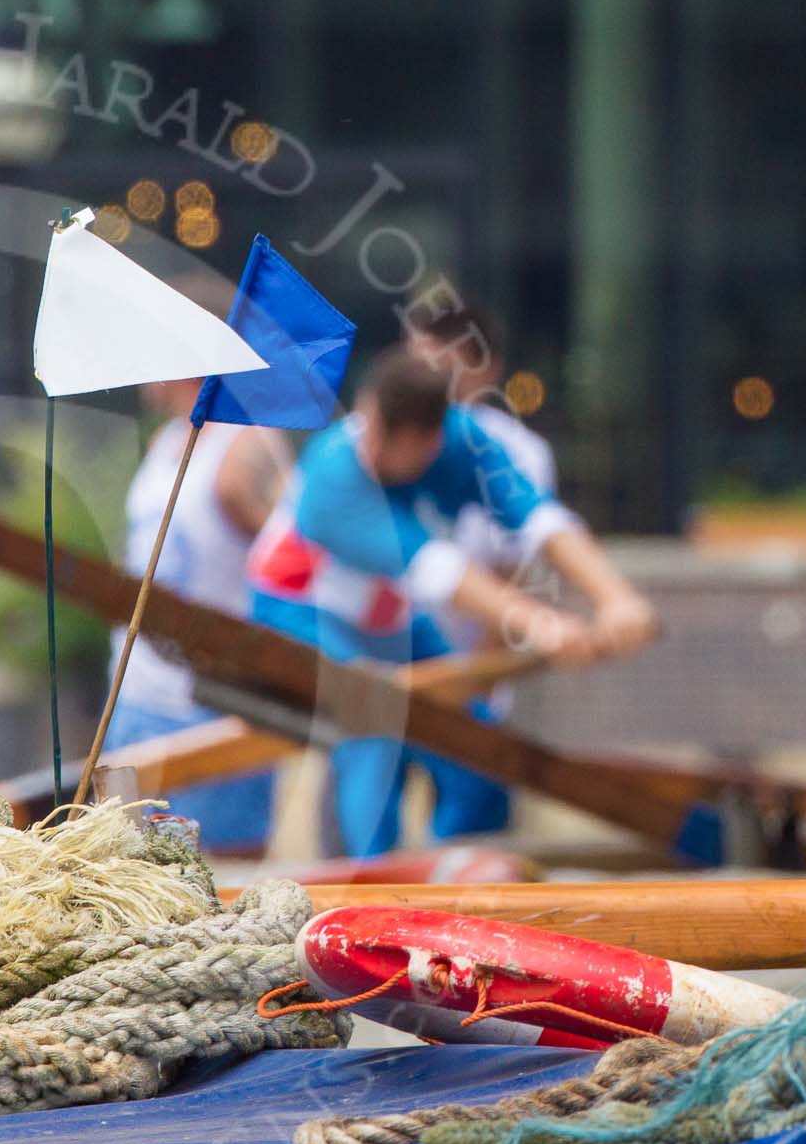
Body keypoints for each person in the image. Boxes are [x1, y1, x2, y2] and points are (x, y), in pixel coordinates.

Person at [246, 345, 657, 858]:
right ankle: (368, 886)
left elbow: (539, 520)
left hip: (392, 620)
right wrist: (539, 623)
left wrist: (617, 599)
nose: (365, 444)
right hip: (299, 614)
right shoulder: (334, 474)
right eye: (368, 425)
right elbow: (440, 571)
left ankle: (461, 873)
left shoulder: (466, 443)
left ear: (426, 442)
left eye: (381, 439)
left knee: (478, 741)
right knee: (372, 719)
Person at [100, 276, 293, 856]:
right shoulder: (166, 442)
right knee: (128, 884)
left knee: (223, 886)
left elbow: (301, 566)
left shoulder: (246, 447)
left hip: (210, 705)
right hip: (136, 696)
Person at [376, 302, 558, 843]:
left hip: (467, 676)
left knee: (463, 846)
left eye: (435, 367)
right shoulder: (383, 442)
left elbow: (515, 567)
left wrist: (471, 682)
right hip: (385, 666)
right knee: (365, 840)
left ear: (482, 369)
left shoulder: (510, 451)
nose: (421, 382)